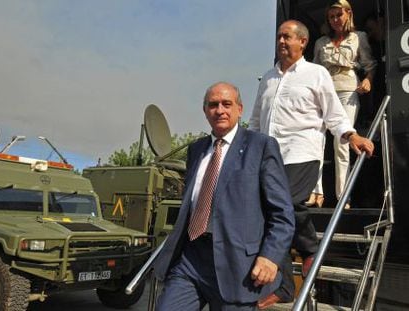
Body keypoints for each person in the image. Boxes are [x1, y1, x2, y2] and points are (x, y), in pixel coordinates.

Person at [249, 20, 374, 309]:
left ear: (303, 42)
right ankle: (295, 268)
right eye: (279, 37)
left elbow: (333, 113)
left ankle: (298, 262)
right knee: (272, 212)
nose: (281, 41)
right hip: (270, 156)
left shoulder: (316, 74)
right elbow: (256, 121)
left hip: (302, 153)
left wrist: (351, 134)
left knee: (285, 205)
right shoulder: (267, 78)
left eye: (287, 37)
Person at [154, 82, 295, 310]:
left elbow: (283, 213)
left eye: (226, 104)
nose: (220, 110)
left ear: (239, 109)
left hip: (238, 267)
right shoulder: (196, 149)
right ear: (205, 111)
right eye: (213, 105)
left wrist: (271, 256)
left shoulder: (261, 147)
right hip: (191, 260)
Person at [309, 0, 377, 208]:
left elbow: (370, 65)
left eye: (339, 15)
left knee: (342, 142)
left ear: (348, 14)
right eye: (331, 17)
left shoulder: (359, 38)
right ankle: (316, 192)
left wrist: (368, 79)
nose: (335, 20)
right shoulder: (321, 42)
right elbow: (314, 71)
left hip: (348, 90)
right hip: (324, 91)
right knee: (316, 138)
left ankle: (343, 196)